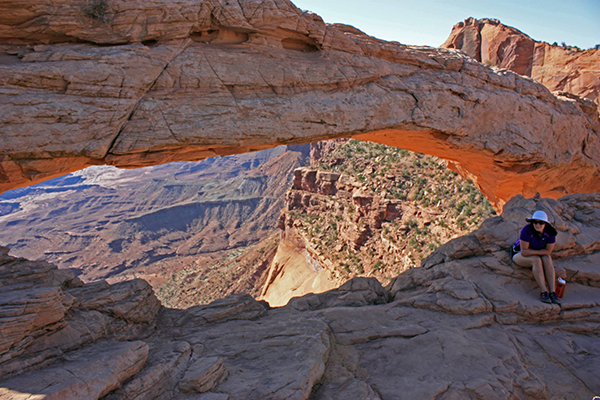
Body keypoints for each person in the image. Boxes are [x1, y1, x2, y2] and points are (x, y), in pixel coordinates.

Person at [512, 210, 561, 304]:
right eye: (535, 222)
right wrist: (538, 253)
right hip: (518, 253)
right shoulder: (527, 230)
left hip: (534, 252)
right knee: (536, 260)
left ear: (545, 224)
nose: (538, 225)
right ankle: (544, 291)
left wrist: (534, 252)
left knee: (547, 258)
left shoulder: (550, 232)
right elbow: (524, 252)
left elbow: (548, 251)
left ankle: (553, 292)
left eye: (541, 222)